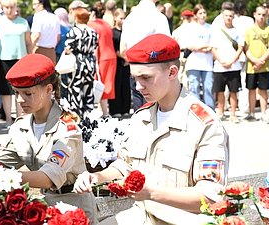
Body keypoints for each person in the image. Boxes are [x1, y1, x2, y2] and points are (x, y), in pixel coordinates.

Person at [73, 34, 229, 225]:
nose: (138, 87)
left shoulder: (204, 124)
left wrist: (151, 193)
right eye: (135, 79)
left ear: (172, 72)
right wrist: (96, 176)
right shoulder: (142, 117)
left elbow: (211, 197)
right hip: (140, 216)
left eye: (146, 78)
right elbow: (125, 165)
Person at [0, 53, 98, 225]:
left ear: (49, 89)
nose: (20, 100)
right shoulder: (20, 128)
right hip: (44, 207)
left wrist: (4, 177)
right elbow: (0, 163)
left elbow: (48, 177)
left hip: (75, 209)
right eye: (16, 93)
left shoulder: (67, 129)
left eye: (28, 93)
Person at [119, 0, 170, 111]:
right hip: (154, 67)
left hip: (134, 65)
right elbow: (166, 46)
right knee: (155, 103)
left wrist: (134, 61)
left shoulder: (129, 19)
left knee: (138, 100)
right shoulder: (159, 17)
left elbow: (122, 49)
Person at [0, 0, 31, 127]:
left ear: (16, 7)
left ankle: (20, 118)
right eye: (6, 7)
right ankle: (8, 118)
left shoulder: (23, 22)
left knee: (20, 90)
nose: (9, 10)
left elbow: (29, 43)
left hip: (21, 59)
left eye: (11, 7)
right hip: (3, 59)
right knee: (5, 91)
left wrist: (31, 59)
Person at [210, 5, 244, 123]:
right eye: (226, 16)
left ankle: (233, 114)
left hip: (234, 66)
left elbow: (240, 48)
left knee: (234, 92)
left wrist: (231, 61)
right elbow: (213, 48)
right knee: (220, 91)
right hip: (219, 67)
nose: (228, 18)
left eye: (230, 16)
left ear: (233, 17)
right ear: (222, 16)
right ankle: (221, 112)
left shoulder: (238, 31)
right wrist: (221, 61)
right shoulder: (216, 31)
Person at [64, 7, 98, 118]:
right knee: (88, 90)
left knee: (75, 90)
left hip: (77, 64)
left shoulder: (74, 31)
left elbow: (68, 48)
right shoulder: (93, 31)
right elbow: (95, 47)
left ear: (77, 18)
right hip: (90, 64)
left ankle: (77, 117)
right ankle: (89, 117)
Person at [88, 1, 117, 117]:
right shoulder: (106, 24)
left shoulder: (91, 25)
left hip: (101, 58)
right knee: (106, 85)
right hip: (111, 56)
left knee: (100, 85)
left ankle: (104, 113)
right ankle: (104, 112)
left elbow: (94, 45)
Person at [244, 6, 269, 123]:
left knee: (263, 90)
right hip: (251, 66)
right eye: (259, 14)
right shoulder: (248, 30)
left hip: (265, 66)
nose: (261, 17)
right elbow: (246, 48)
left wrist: (261, 61)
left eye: (264, 15)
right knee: (251, 90)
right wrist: (254, 60)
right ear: (254, 14)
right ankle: (251, 112)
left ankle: (264, 113)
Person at [185, 4, 214, 110]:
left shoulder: (210, 28)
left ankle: (210, 111)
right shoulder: (191, 28)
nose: (203, 15)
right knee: (194, 88)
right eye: (200, 13)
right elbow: (190, 46)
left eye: (204, 13)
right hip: (194, 63)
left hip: (207, 64)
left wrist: (200, 48)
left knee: (208, 88)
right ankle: (196, 111)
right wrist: (203, 47)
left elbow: (213, 45)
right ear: (195, 15)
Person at [108, 8, 131, 117]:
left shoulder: (126, 31)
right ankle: (115, 109)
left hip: (126, 62)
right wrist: (124, 57)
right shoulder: (112, 32)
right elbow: (113, 48)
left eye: (124, 18)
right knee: (117, 85)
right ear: (115, 18)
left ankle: (125, 108)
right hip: (116, 61)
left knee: (125, 86)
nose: (123, 20)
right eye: (121, 18)